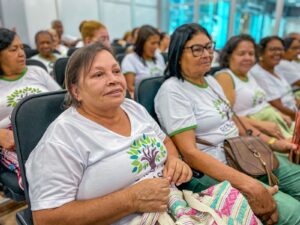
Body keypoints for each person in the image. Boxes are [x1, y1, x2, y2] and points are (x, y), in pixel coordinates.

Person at [25, 42, 194, 224]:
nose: (113, 79)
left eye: (116, 71)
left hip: (173, 206)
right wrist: (130, 200)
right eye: (98, 74)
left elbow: (165, 142)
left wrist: (173, 160)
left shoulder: (133, 108)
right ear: (76, 91)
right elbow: (45, 219)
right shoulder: (61, 140)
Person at [154, 23, 300, 225]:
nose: (206, 54)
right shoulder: (173, 91)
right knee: (294, 212)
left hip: (244, 154)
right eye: (197, 49)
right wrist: (248, 184)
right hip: (216, 168)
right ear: (178, 53)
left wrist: (274, 142)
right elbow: (190, 153)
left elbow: (234, 123)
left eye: (208, 47)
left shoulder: (211, 82)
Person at [0, 28, 60, 188]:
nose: (21, 53)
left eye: (21, 47)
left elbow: (62, 101)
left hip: (50, 130)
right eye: (13, 49)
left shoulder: (37, 73)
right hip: (14, 139)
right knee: (39, 171)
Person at [215, 34, 294, 139]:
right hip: (255, 131)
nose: (248, 58)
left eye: (251, 53)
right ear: (229, 56)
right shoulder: (225, 77)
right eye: (241, 53)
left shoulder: (248, 75)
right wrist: (260, 124)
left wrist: (281, 114)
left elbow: (261, 101)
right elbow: (226, 116)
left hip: (275, 124)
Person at [249, 36, 298, 119]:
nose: (278, 53)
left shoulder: (275, 69)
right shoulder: (258, 73)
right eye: (272, 49)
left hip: (294, 111)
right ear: (261, 53)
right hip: (285, 118)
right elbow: (278, 107)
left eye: (280, 49)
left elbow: (290, 97)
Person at [122, 25, 165, 97]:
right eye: (153, 43)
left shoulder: (159, 57)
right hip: (144, 98)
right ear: (142, 43)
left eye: (157, 43)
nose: (156, 46)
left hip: (161, 95)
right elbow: (130, 87)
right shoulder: (130, 59)